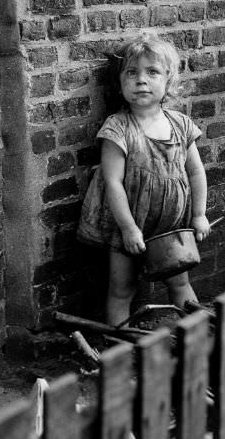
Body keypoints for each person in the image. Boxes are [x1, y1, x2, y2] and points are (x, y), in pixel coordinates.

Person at [77, 33, 211, 326]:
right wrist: (128, 229)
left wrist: (199, 214)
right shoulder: (118, 127)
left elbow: (196, 171)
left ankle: (198, 336)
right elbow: (112, 182)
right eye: (132, 73)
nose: (141, 80)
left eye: (152, 72)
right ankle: (118, 348)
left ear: (168, 81)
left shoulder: (180, 125)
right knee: (121, 289)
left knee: (180, 285)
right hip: (129, 228)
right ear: (121, 81)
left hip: (171, 228)